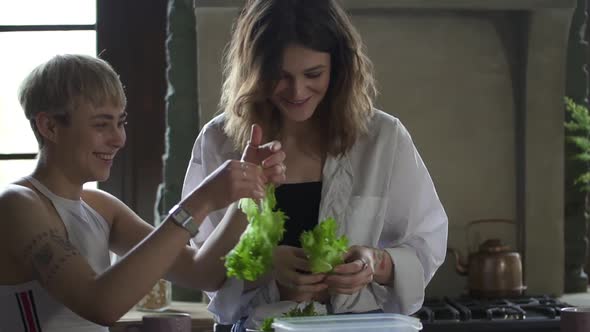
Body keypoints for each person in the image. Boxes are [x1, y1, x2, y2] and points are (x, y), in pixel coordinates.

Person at [181, 0, 448, 330]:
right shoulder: (219, 141)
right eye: (281, 76)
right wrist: (265, 270)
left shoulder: (383, 138)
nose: (297, 91)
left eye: (313, 74)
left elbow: (427, 243)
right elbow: (200, 266)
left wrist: (375, 263)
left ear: (339, 68)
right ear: (255, 72)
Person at [0, 54, 286, 332]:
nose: (118, 139)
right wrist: (202, 200)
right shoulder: (18, 204)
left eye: (120, 122)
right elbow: (101, 304)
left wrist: (246, 193)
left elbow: (205, 274)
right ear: (49, 126)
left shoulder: (101, 207)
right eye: (101, 124)